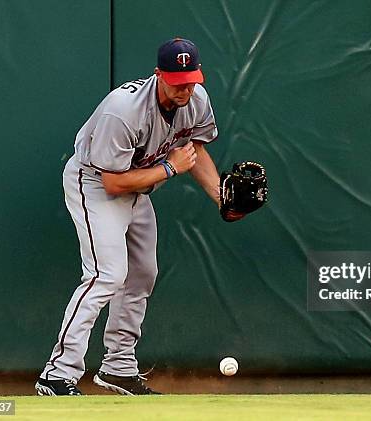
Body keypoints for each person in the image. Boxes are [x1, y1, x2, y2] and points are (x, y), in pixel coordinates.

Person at [35, 38, 241, 396]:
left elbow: (195, 151)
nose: (186, 88)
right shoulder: (124, 109)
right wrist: (169, 168)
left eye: (191, 78)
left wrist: (221, 198)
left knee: (143, 273)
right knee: (106, 275)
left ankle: (118, 367)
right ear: (159, 75)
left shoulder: (197, 100)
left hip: (141, 180)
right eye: (178, 80)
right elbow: (113, 182)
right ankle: (57, 373)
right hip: (95, 181)